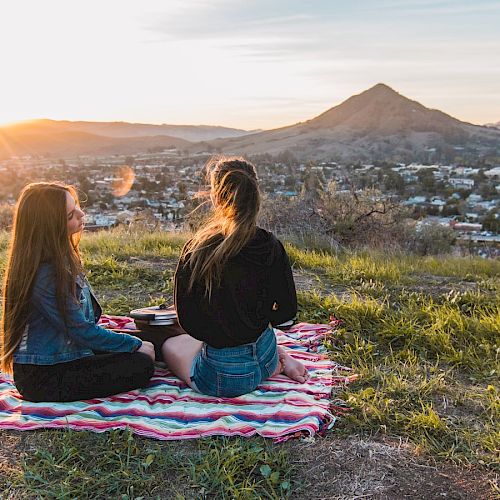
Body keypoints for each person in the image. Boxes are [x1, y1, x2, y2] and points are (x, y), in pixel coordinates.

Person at [162, 157, 309, 398]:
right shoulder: (270, 245)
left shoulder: (198, 249)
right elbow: (286, 315)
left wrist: (222, 326)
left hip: (226, 378)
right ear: (254, 193)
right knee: (242, 341)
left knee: (171, 345)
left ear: (216, 196)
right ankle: (280, 360)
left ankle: (274, 362)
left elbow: (189, 323)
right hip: (266, 355)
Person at [0, 182, 155, 402]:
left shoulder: (61, 255)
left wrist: (135, 342)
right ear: (51, 226)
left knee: (150, 340)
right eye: (72, 214)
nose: (82, 214)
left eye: (77, 207)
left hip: (71, 352)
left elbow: (84, 324)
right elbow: (81, 330)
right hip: (44, 375)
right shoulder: (45, 274)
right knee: (141, 364)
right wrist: (134, 345)